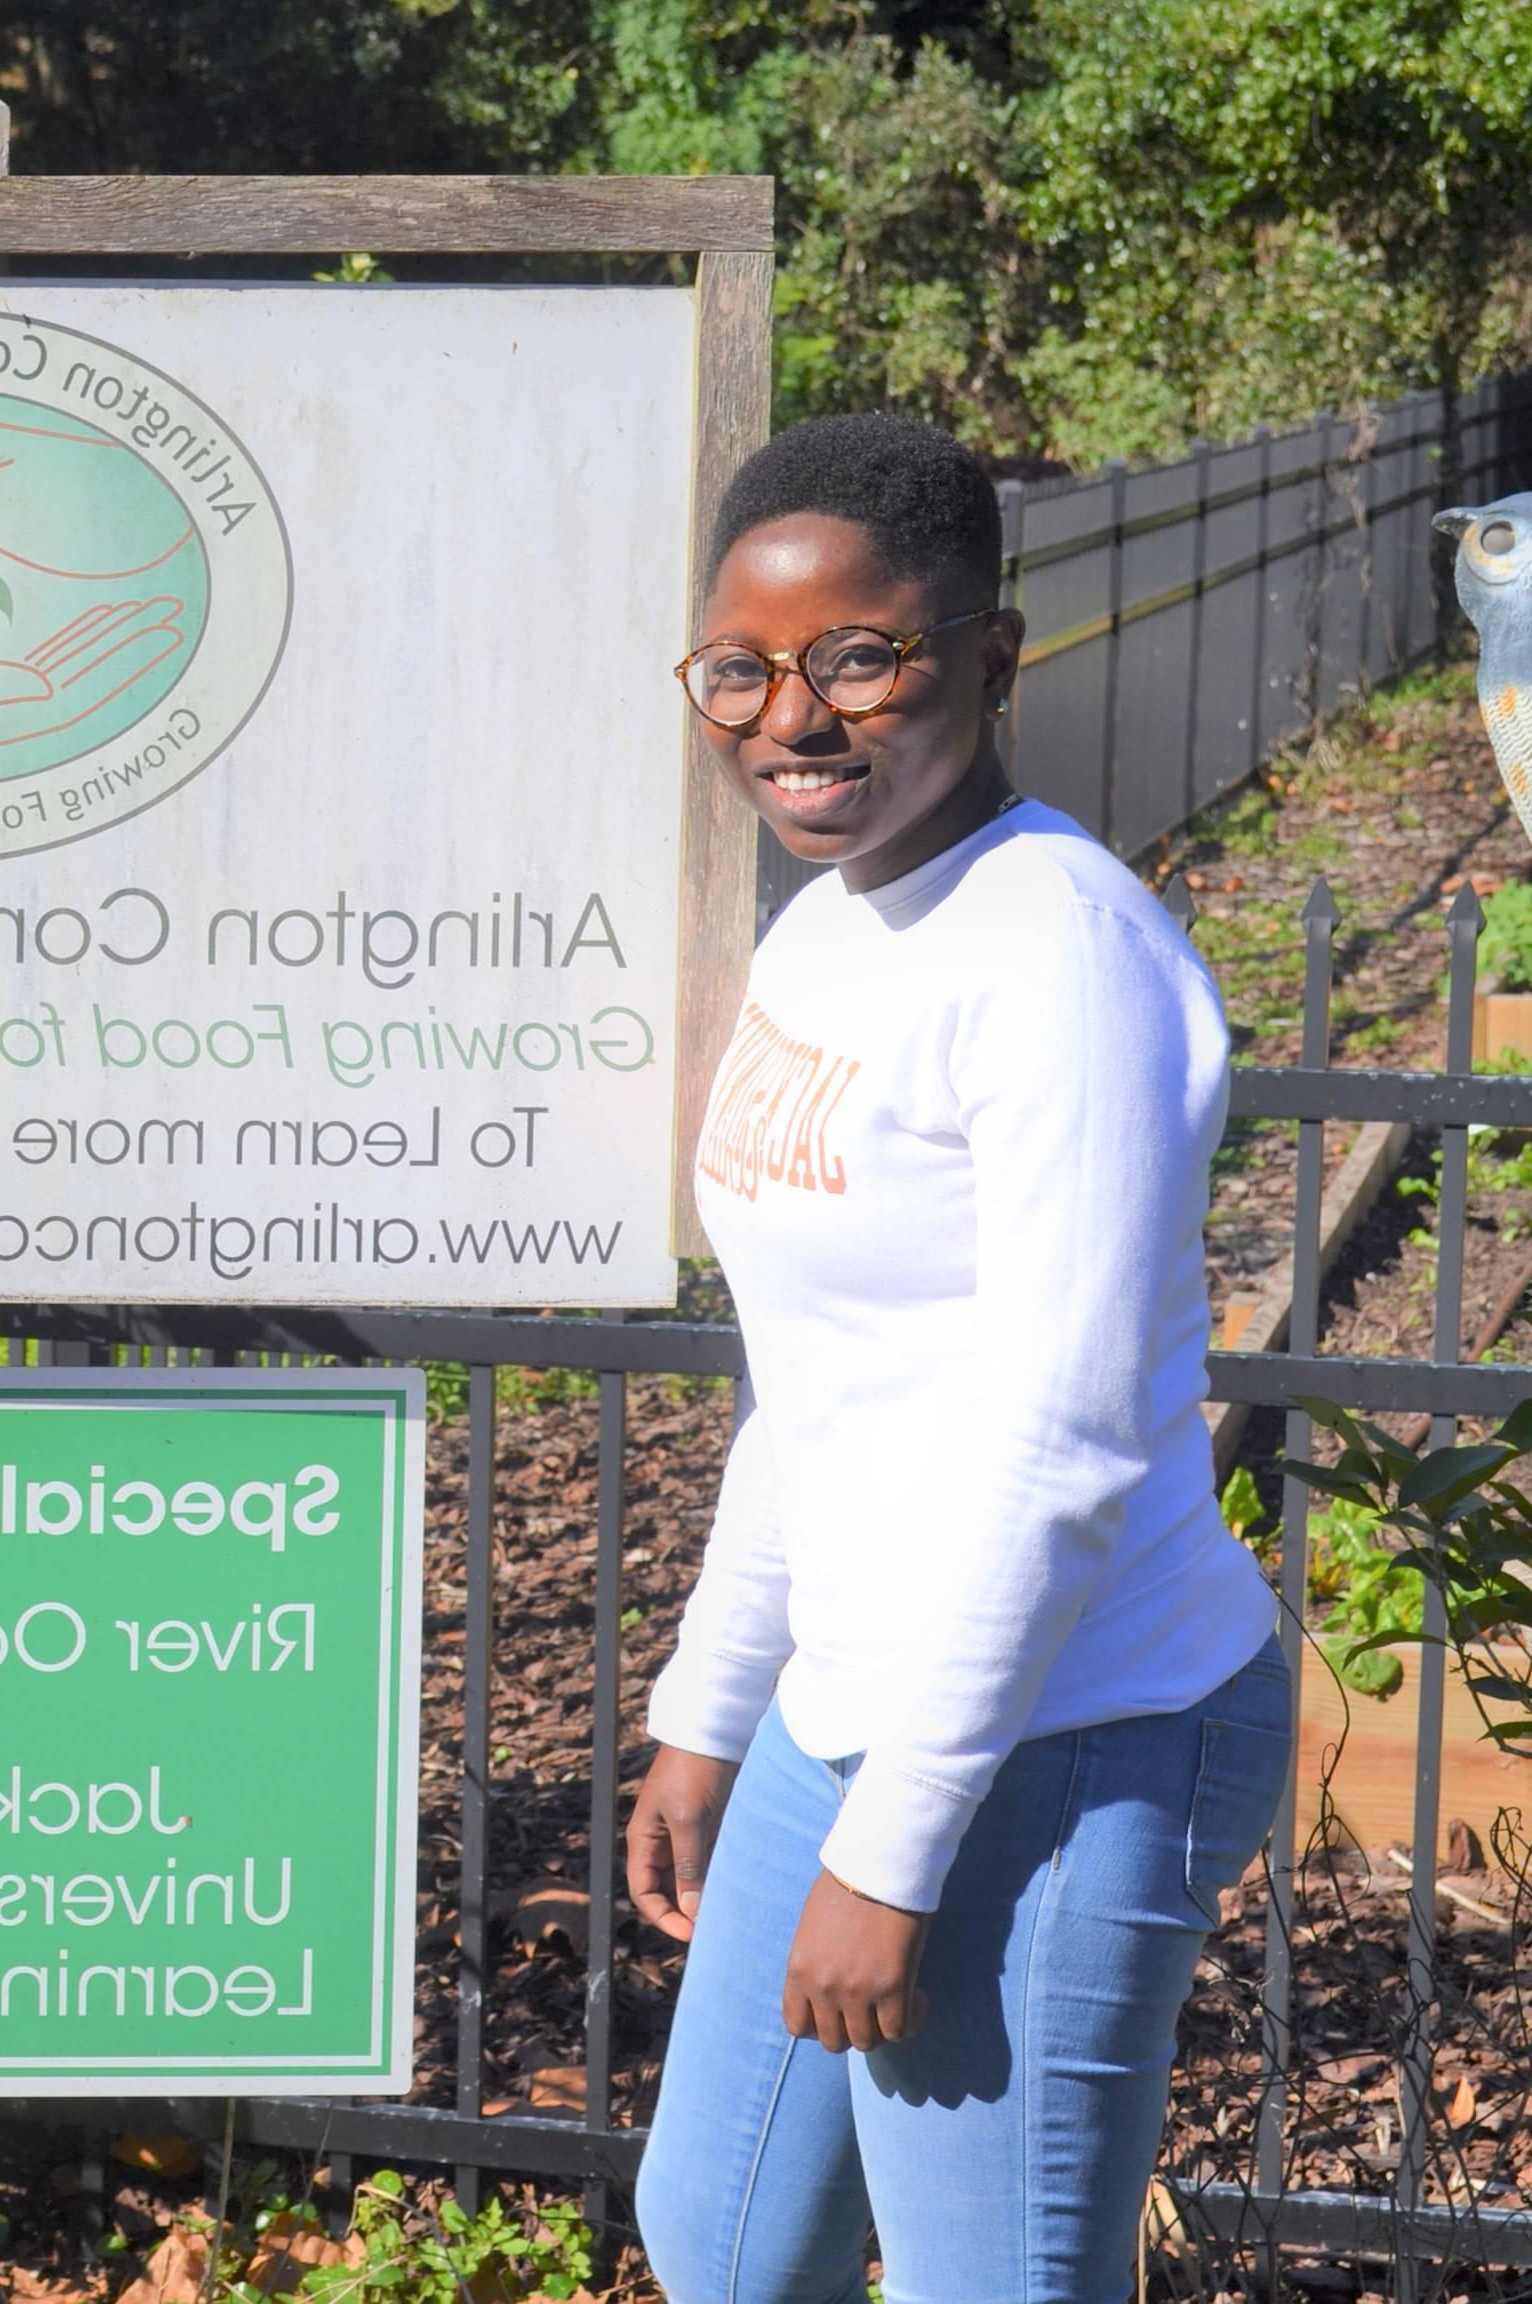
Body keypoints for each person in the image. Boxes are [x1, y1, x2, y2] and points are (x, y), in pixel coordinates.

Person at [625, 412, 1291, 2301]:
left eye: (862, 656)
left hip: (1077, 1730)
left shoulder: (1064, 957)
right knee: (727, 2237)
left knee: (991, 2281)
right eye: (742, 671)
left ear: (990, 659)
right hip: (850, 1702)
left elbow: (1065, 1441)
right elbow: (813, 1374)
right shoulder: (826, 933)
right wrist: (711, 1702)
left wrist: (896, 1856)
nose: (794, 719)